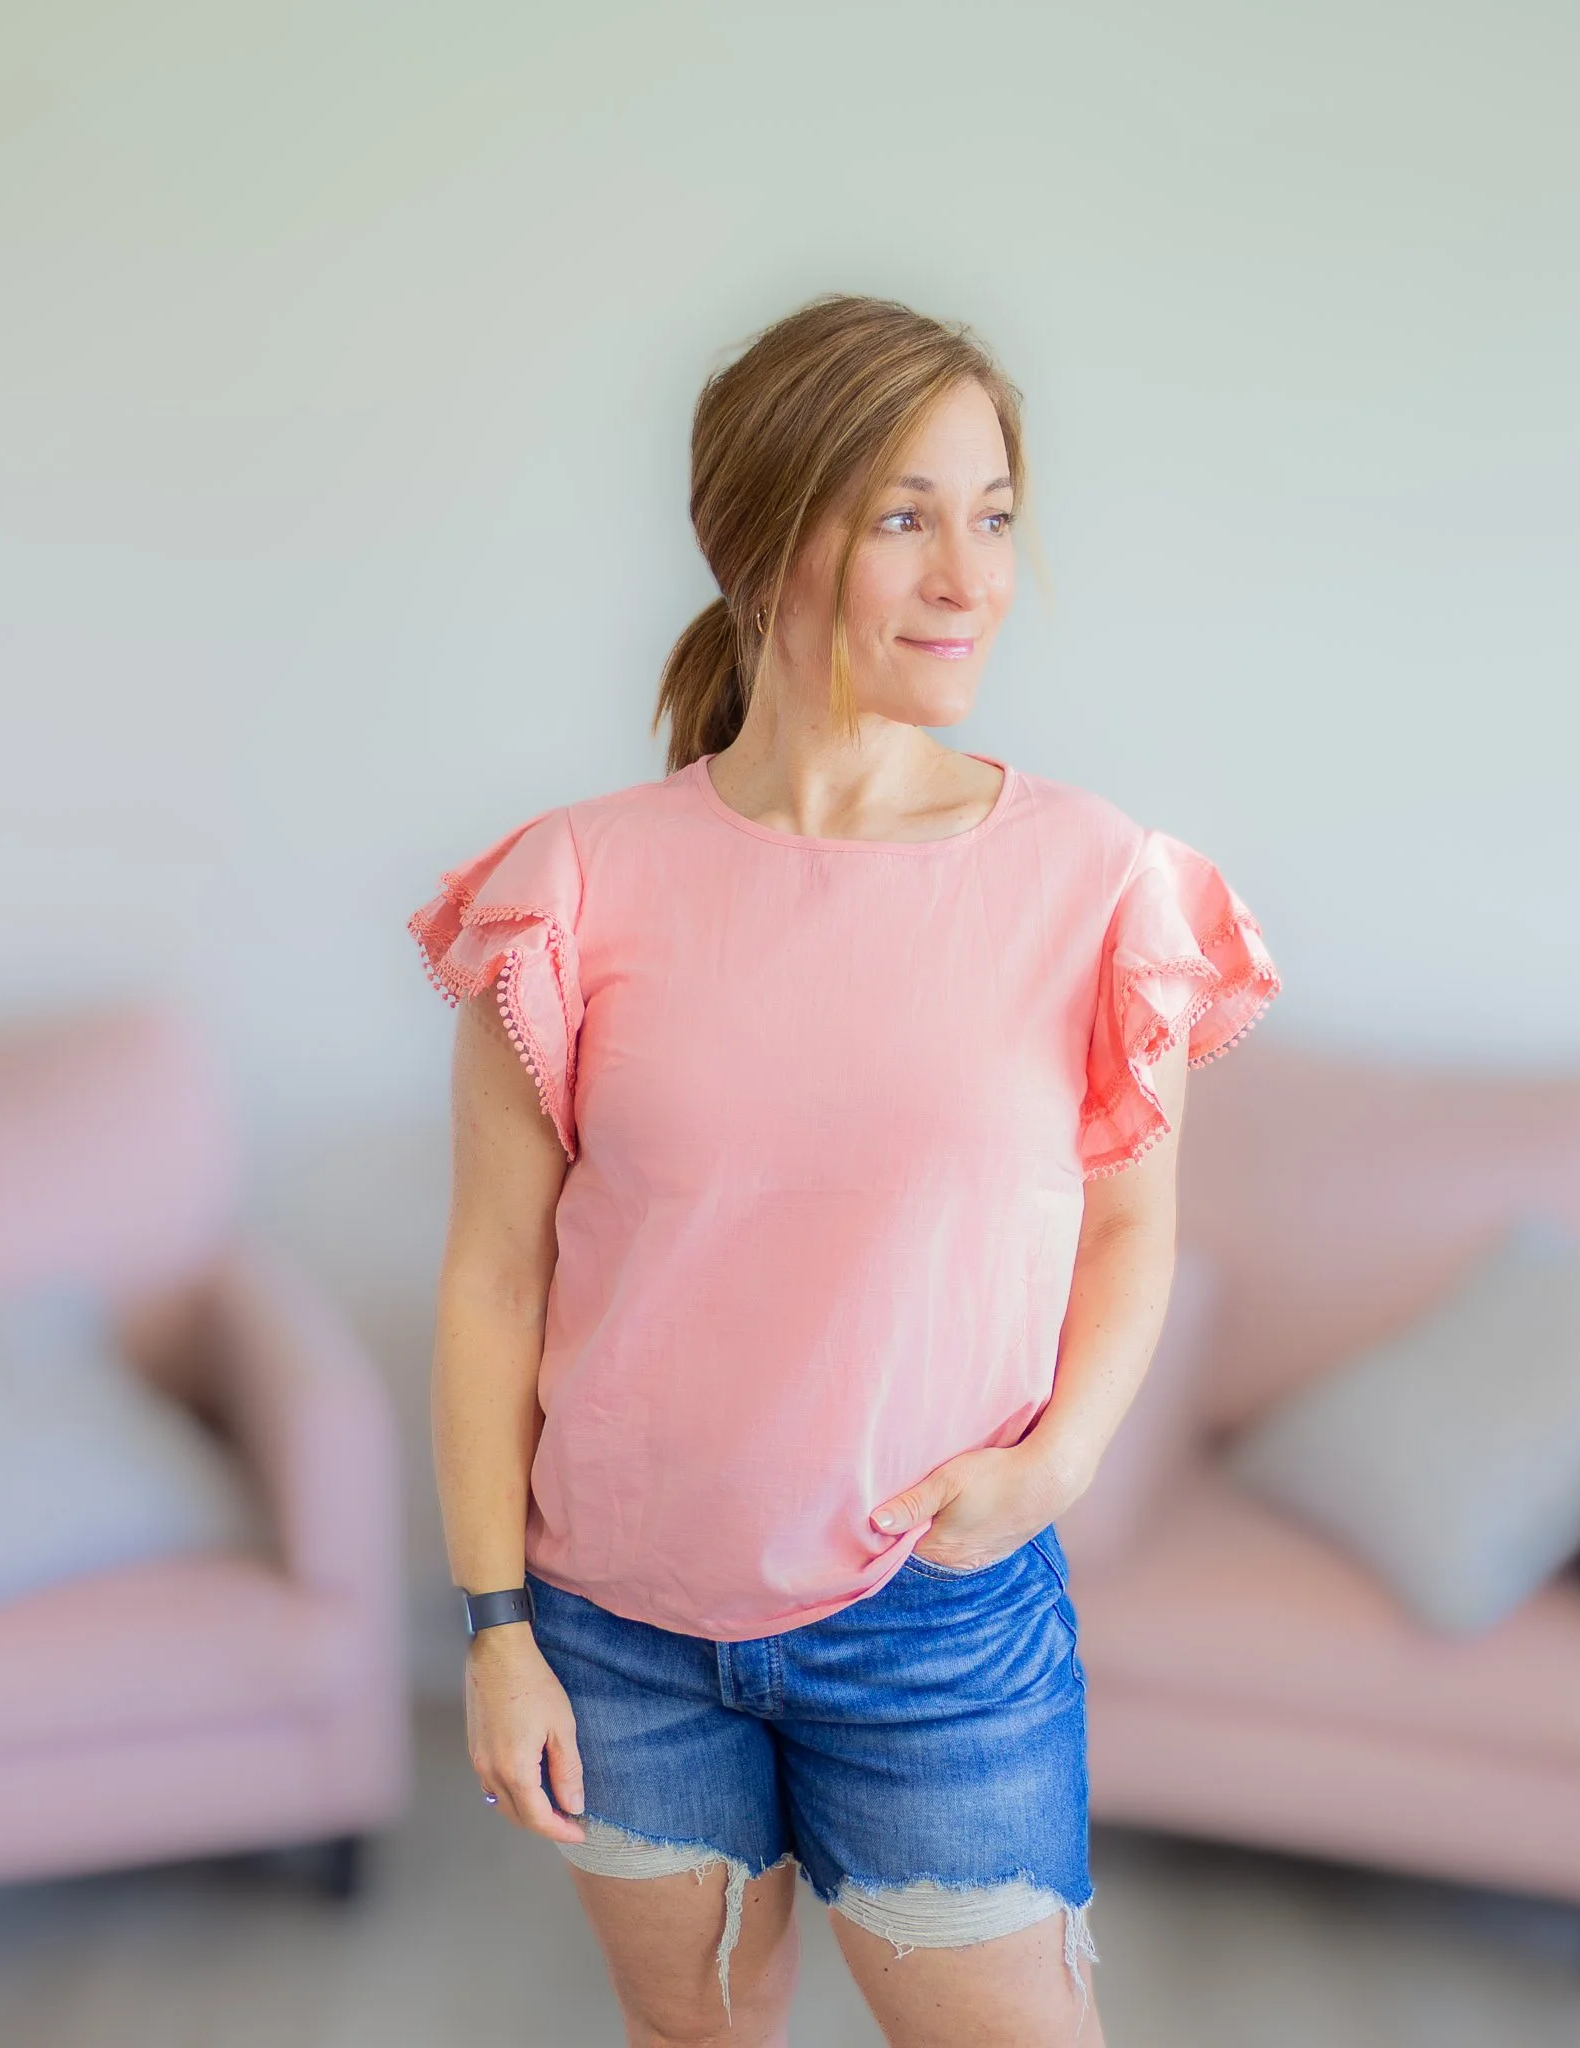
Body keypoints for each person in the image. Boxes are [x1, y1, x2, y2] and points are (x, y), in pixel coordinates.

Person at [413, 293, 1281, 2048]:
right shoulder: (567, 892)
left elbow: (1131, 1224)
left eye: (995, 513)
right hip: (620, 1633)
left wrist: (1059, 1466)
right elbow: (497, 1278)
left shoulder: (1101, 885)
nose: (973, 577)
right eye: (905, 516)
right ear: (760, 537)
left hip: (937, 1633)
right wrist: (498, 1625)